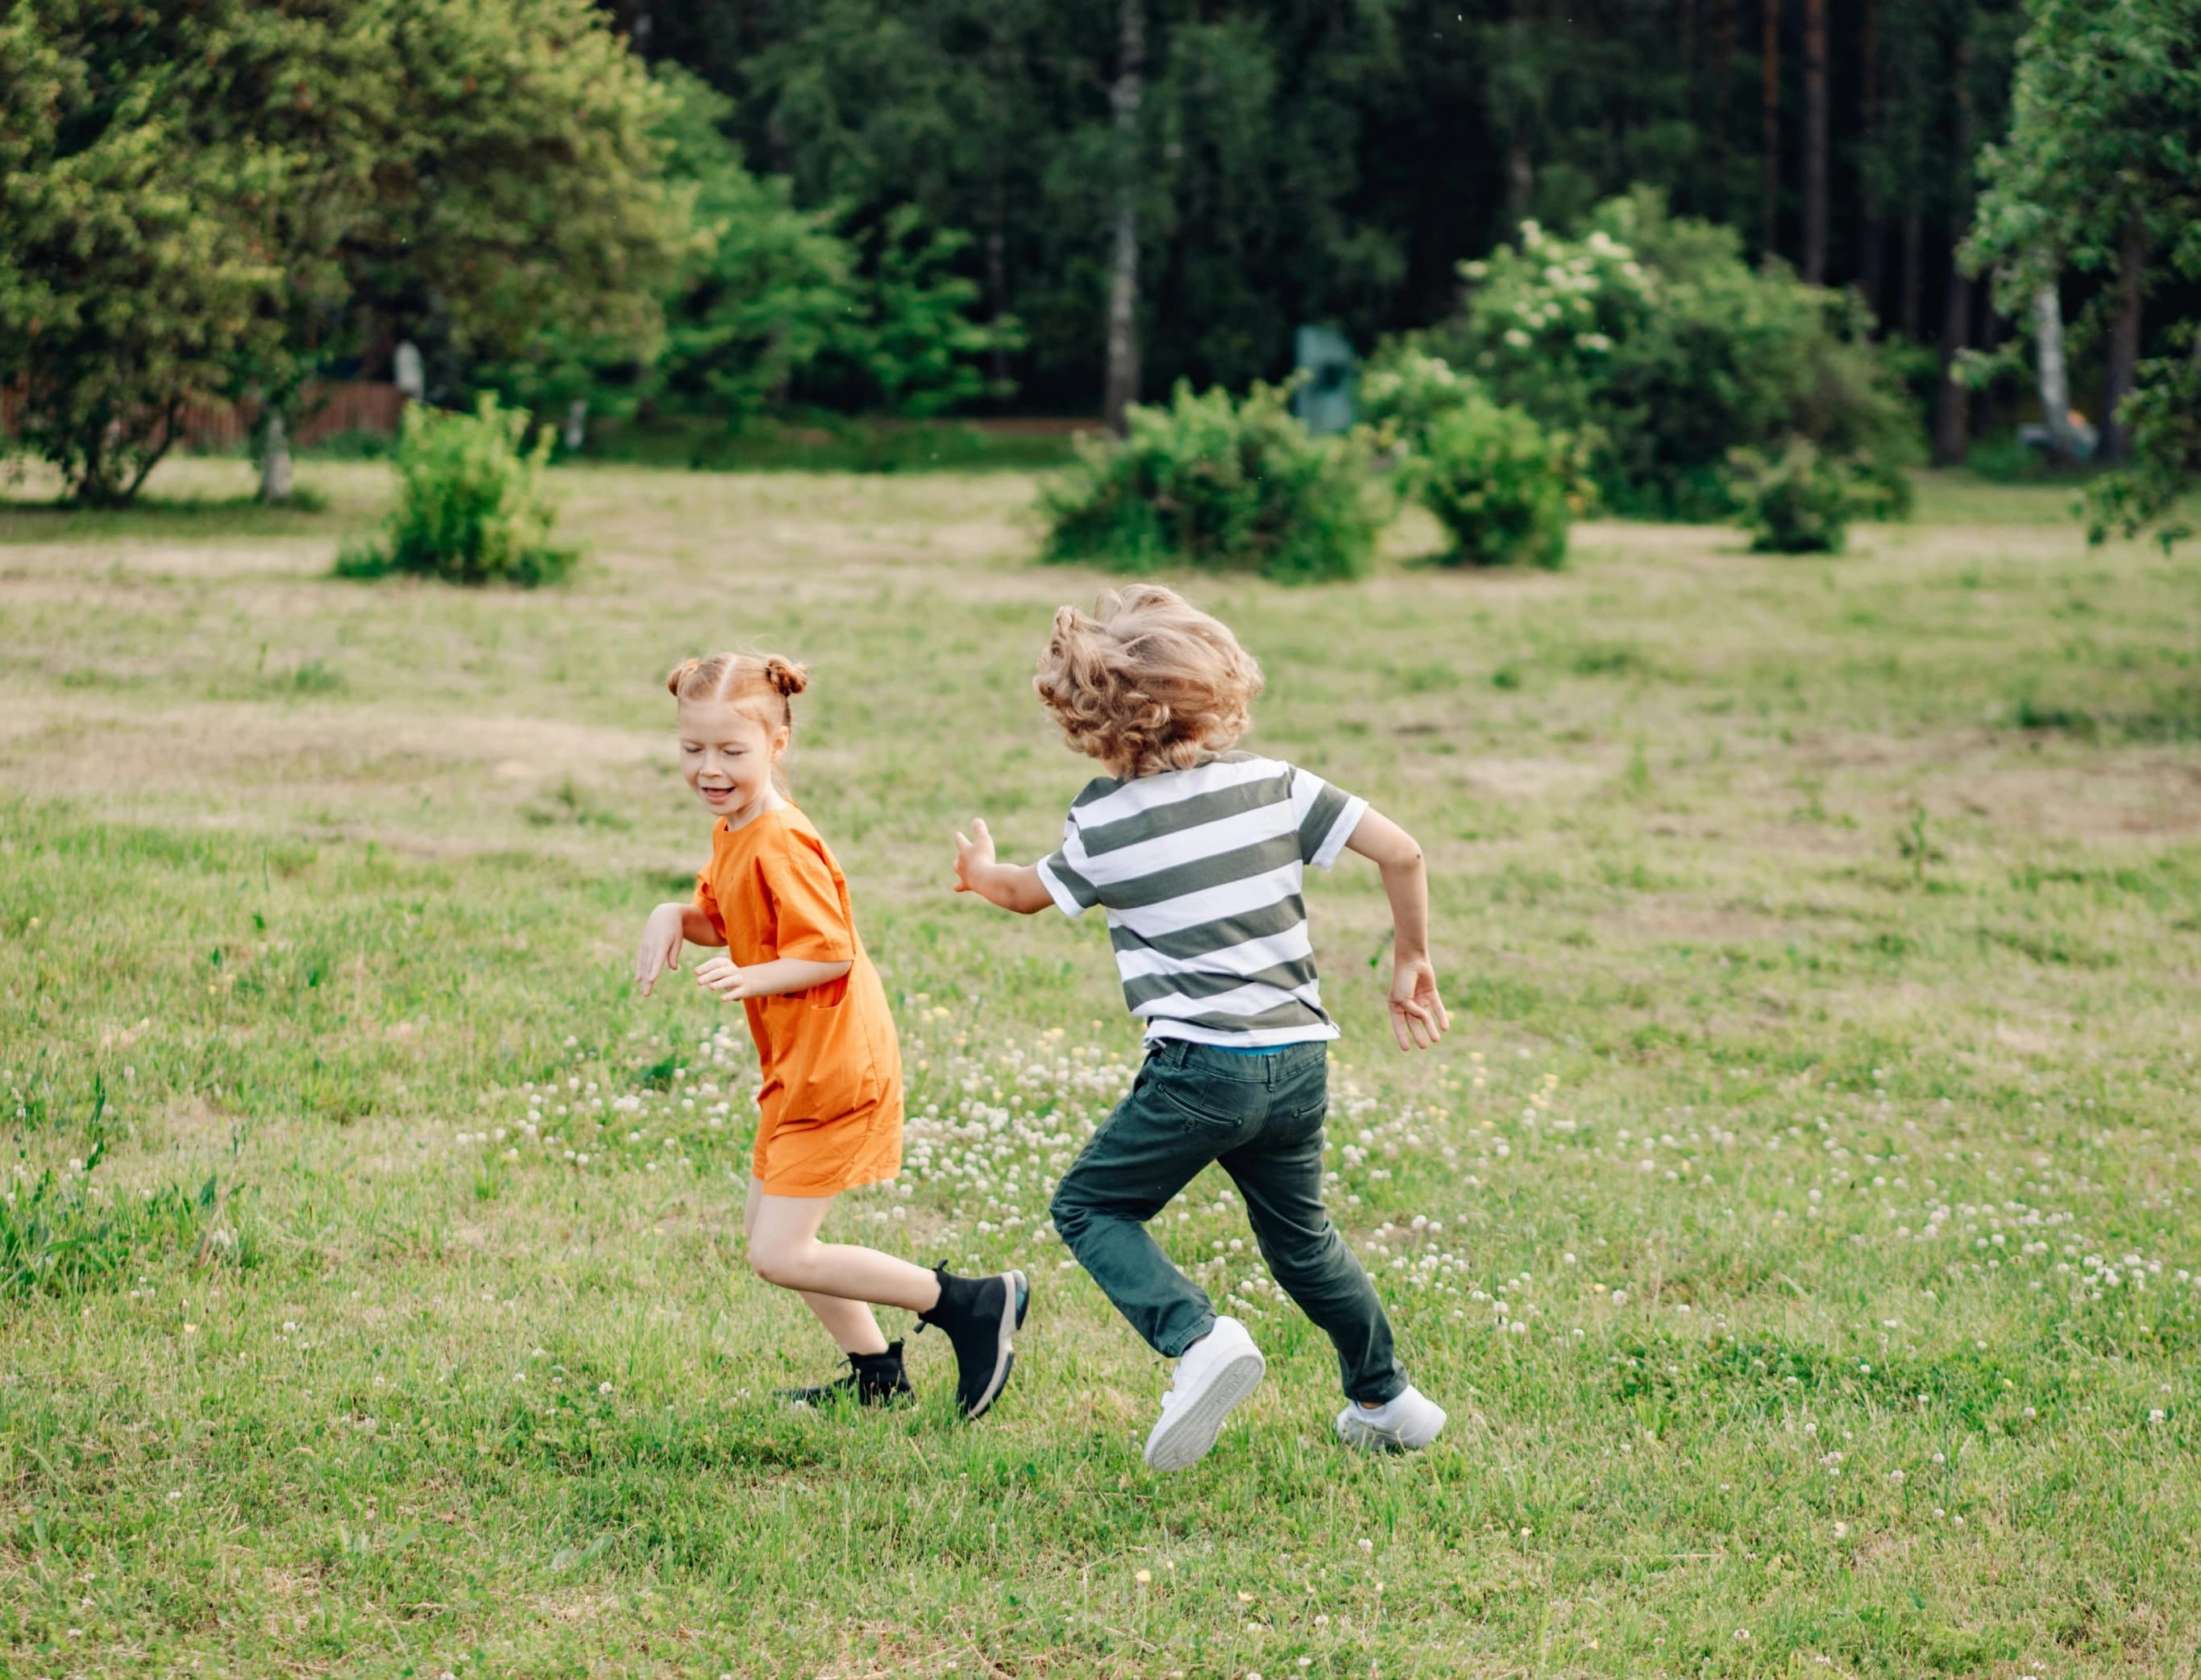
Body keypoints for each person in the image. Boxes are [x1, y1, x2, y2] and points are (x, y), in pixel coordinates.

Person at [951, 585, 1449, 1470]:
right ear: (1215, 692)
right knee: (1303, 1241)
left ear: (1086, 721)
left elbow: (1028, 896)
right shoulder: (1275, 785)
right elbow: (1403, 850)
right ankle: (1388, 1400)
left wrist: (982, 872)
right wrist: (1410, 958)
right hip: (1297, 1058)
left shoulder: (1103, 822)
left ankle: (1196, 1339)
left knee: (1092, 1205)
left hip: (1199, 1068)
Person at [636, 650, 1026, 1417]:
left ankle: (971, 1303)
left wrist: (754, 976)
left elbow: (828, 950)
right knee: (770, 1237)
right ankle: (878, 1377)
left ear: (777, 743)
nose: (709, 767)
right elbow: (726, 919)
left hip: (835, 1062)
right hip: (799, 1062)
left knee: (779, 1251)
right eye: (692, 748)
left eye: (731, 751)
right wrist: (668, 916)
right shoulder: (735, 828)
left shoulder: (780, 838)